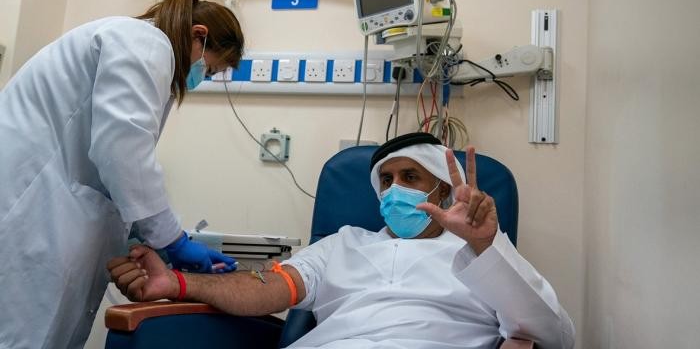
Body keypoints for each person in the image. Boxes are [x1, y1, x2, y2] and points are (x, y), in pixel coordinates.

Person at [108, 133, 575, 349]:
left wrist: (485, 246)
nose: (394, 190)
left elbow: (555, 335)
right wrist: (178, 283)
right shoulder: (344, 243)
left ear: (444, 190)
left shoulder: (482, 254)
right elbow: (267, 286)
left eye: (411, 177)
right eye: (386, 181)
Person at [0, 0, 244, 348]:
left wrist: (140, 235)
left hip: (46, 210)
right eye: (209, 67)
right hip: (32, 210)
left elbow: (114, 162)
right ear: (198, 35)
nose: (201, 77)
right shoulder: (145, 42)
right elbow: (122, 150)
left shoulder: (138, 47)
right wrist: (172, 240)